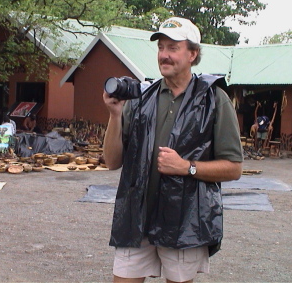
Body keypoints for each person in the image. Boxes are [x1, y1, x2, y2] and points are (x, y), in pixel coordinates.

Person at [103, 16, 243, 283]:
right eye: (161, 48)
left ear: (193, 53)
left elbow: (234, 168)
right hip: (137, 220)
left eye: (173, 48)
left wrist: (187, 167)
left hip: (183, 221)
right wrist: (114, 115)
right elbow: (111, 162)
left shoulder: (214, 100)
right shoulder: (141, 98)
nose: (164, 55)